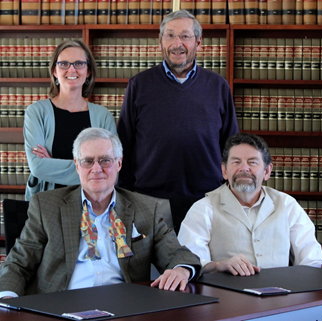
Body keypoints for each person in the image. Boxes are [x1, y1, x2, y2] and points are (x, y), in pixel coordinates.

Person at [0, 128, 201, 298]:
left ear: (119, 164)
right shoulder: (46, 206)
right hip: (60, 306)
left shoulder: (146, 208)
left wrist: (180, 269)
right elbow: (18, 264)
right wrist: (6, 303)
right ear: (77, 165)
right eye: (88, 161)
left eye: (105, 160)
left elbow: (178, 254)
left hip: (125, 307)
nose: (97, 169)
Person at [117, 10, 239, 231]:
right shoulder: (139, 85)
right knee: (152, 266)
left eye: (185, 36)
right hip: (149, 199)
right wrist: (126, 194)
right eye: (170, 35)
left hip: (207, 199)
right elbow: (124, 142)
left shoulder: (218, 86)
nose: (177, 43)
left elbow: (231, 145)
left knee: (203, 265)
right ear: (161, 41)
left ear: (198, 42)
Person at [178, 133, 322, 277]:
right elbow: (188, 264)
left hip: (282, 299)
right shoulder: (204, 208)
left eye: (252, 162)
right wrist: (218, 265)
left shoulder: (287, 205)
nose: (244, 168)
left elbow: (312, 260)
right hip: (225, 299)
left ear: (267, 171)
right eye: (236, 162)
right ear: (224, 170)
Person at [24, 39, 117, 201]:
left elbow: (111, 168)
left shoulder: (103, 116)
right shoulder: (36, 112)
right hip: (47, 205)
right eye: (64, 64)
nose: (72, 69)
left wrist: (52, 164)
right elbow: (38, 167)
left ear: (88, 71)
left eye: (79, 64)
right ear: (54, 71)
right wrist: (92, 169)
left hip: (93, 205)